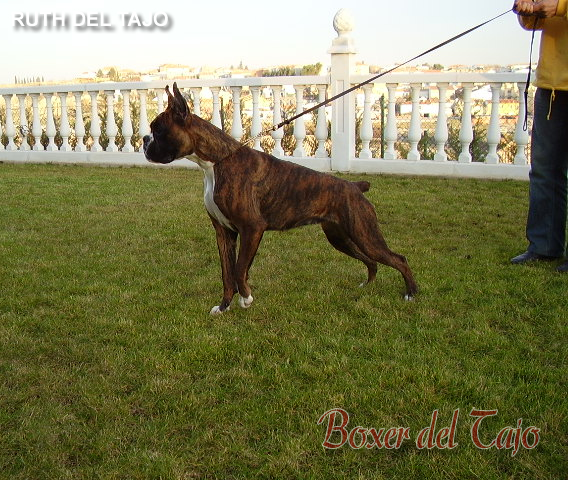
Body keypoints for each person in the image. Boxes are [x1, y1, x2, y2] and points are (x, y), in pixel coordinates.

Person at [511, 0, 568, 272]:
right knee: (544, 171)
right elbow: (535, 22)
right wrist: (527, 11)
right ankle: (544, 246)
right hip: (550, 86)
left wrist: (561, 6)